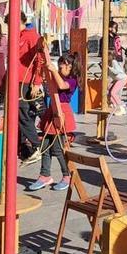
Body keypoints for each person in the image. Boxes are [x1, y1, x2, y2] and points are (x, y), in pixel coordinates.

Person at [27, 53, 79, 192]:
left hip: (62, 111)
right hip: (52, 110)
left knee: (58, 147)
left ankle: (66, 175)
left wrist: (53, 71)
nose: (60, 66)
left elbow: (62, 86)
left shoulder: (73, 80)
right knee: (45, 145)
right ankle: (45, 175)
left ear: (69, 65)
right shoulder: (59, 76)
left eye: (62, 64)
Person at [5, 12, 43, 164]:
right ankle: (23, 149)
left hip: (26, 81)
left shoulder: (31, 36)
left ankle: (36, 146)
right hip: (15, 80)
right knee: (16, 115)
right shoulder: (16, 37)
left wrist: (37, 82)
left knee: (23, 114)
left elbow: (39, 59)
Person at [108, 48, 127, 115]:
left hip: (122, 79)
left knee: (113, 93)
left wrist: (109, 68)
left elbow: (117, 72)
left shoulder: (114, 62)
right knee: (110, 92)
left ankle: (121, 108)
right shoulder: (110, 63)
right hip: (117, 79)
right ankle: (116, 107)